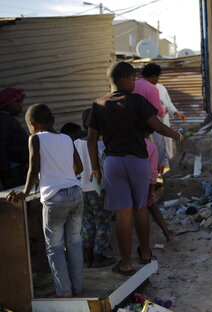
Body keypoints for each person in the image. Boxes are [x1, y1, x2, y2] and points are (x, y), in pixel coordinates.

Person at [87, 62, 183, 275]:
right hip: (137, 160)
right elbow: (157, 126)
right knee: (140, 208)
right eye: (132, 79)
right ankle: (146, 253)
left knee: (123, 213)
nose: (135, 83)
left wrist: (95, 169)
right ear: (123, 80)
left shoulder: (98, 104)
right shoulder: (137, 101)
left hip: (113, 162)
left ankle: (125, 263)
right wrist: (178, 135)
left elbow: (91, 139)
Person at [5, 104, 84, 297]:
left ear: (32, 124)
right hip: (75, 193)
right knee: (74, 243)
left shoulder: (35, 139)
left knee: (55, 246)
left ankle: (64, 292)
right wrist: (61, 173)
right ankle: (78, 288)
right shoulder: (66, 138)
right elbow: (79, 168)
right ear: (52, 120)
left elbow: (33, 167)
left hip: (55, 199)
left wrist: (25, 192)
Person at [74, 109, 116, 269]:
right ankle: (100, 257)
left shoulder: (76, 143)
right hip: (98, 189)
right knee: (103, 223)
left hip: (81, 188)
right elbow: (106, 167)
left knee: (87, 224)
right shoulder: (101, 145)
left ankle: (88, 259)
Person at [145, 133, 175, 242]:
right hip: (146, 183)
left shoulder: (129, 144)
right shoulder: (150, 145)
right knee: (149, 205)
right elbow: (154, 171)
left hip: (133, 182)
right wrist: (152, 188)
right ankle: (167, 233)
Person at [0, 87, 28, 190]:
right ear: (10, 104)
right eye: (19, 102)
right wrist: (7, 176)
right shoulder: (4, 121)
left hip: (17, 168)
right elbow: (2, 148)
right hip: (12, 170)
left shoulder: (9, 119)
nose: (21, 105)